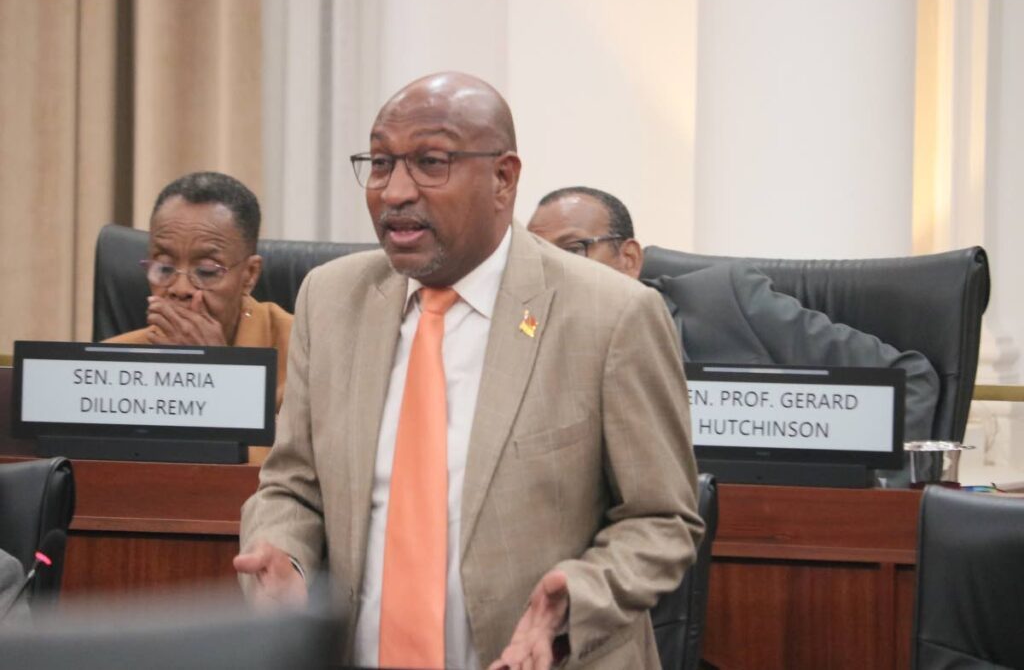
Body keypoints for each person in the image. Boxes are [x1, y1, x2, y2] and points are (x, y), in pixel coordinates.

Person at [234, 73, 702, 670]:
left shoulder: (611, 315)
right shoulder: (331, 301)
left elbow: (663, 519)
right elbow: (291, 485)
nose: (395, 191)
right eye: (380, 163)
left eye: (430, 162)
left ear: (503, 178)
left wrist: (575, 599)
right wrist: (285, 559)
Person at [528, 186, 940, 443]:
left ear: (629, 258)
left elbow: (909, 381)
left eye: (575, 249)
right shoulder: (529, 348)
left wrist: (877, 499)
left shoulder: (727, 302)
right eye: (537, 258)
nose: (557, 271)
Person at [104, 171, 293, 413]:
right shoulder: (114, 363)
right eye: (163, 267)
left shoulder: (304, 357)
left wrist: (216, 374)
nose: (180, 289)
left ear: (250, 274)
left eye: (206, 271)